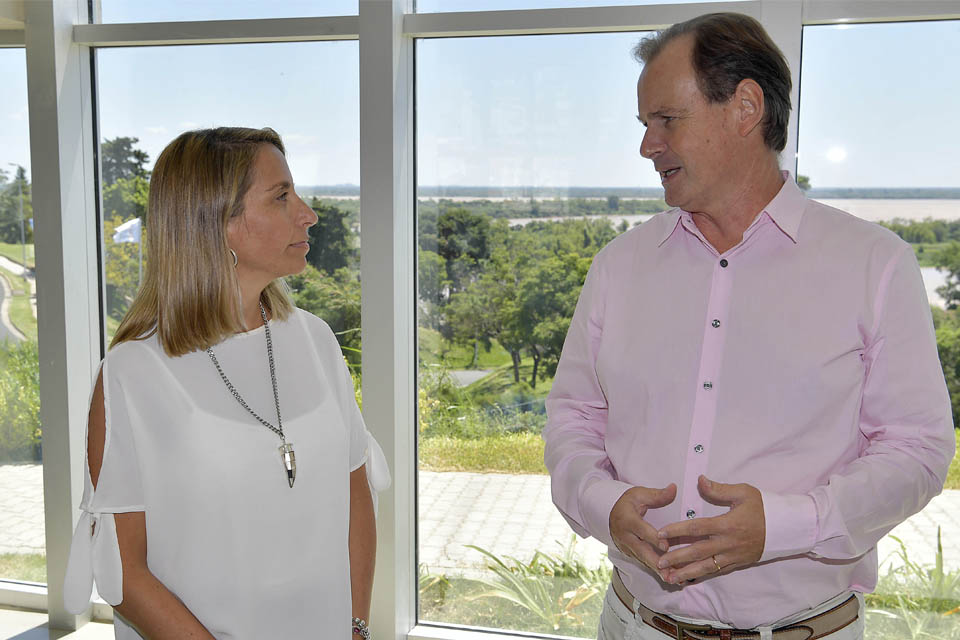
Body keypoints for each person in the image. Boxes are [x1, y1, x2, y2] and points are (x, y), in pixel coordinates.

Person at [543, 12, 955, 640]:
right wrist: (601, 504)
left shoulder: (875, 264)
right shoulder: (618, 266)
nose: (648, 146)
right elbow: (573, 416)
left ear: (745, 108)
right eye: (645, 124)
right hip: (633, 623)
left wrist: (787, 526)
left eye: (666, 120)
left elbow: (917, 451)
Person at [62, 127, 389, 639]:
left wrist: (357, 628)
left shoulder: (316, 340)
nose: (307, 213)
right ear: (217, 223)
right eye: (281, 197)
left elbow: (356, 495)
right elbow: (125, 571)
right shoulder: (133, 373)